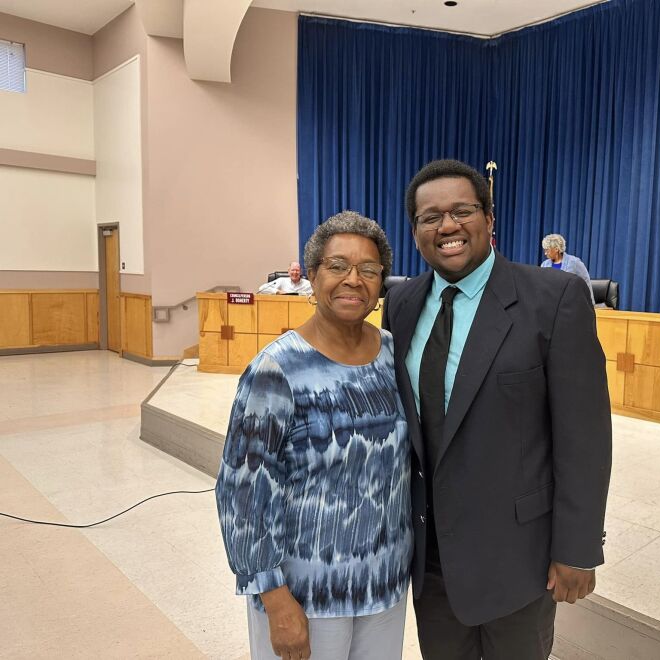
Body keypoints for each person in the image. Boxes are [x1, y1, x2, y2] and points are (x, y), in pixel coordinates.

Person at [383, 160, 612, 660]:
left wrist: (576, 548)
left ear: (490, 219)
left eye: (462, 211)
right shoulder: (400, 305)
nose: (447, 226)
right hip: (431, 560)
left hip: (518, 556)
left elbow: (584, 435)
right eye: (430, 217)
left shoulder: (552, 298)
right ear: (416, 230)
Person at [216, 211, 413, 660]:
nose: (353, 280)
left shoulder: (391, 354)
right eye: (337, 266)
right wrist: (274, 597)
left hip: (383, 586)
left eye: (369, 269)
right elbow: (241, 495)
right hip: (305, 594)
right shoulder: (277, 369)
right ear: (311, 275)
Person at [540, 234, 596, 305]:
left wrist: (591, 304)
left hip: (569, 304)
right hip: (550, 304)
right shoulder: (544, 264)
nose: (545, 253)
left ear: (556, 249)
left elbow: (586, 281)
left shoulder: (574, 262)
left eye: (547, 250)